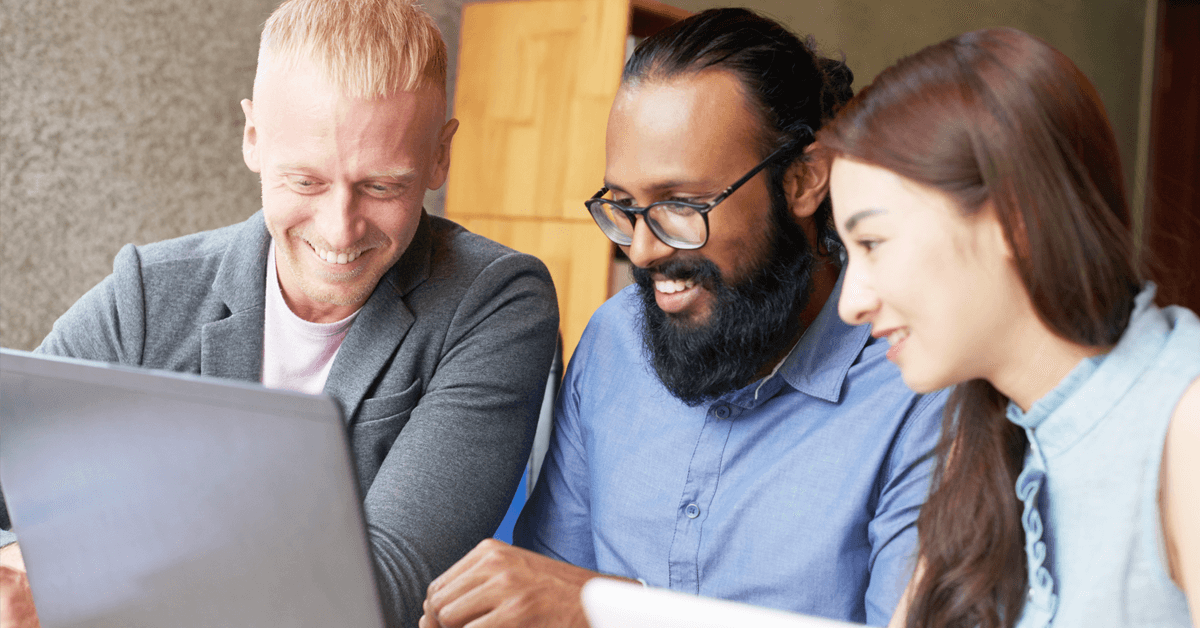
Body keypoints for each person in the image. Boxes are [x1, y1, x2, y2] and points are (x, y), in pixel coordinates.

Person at [0, 0, 559, 626]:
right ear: (253, 139)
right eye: (306, 182)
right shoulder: (148, 294)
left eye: (382, 186)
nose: (340, 231)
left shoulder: (497, 301)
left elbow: (380, 587)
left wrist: (64, 566)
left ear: (440, 156)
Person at [420, 9, 946, 628]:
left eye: (680, 205)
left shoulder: (917, 389)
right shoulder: (615, 340)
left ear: (804, 180)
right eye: (625, 206)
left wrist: (608, 610)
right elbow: (543, 589)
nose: (641, 250)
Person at [821, 27, 1200, 628]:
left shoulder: (1184, 424)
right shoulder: (983, 432)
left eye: (873, 243)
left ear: (1013, 220)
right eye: (847, 252)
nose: (851, 303)